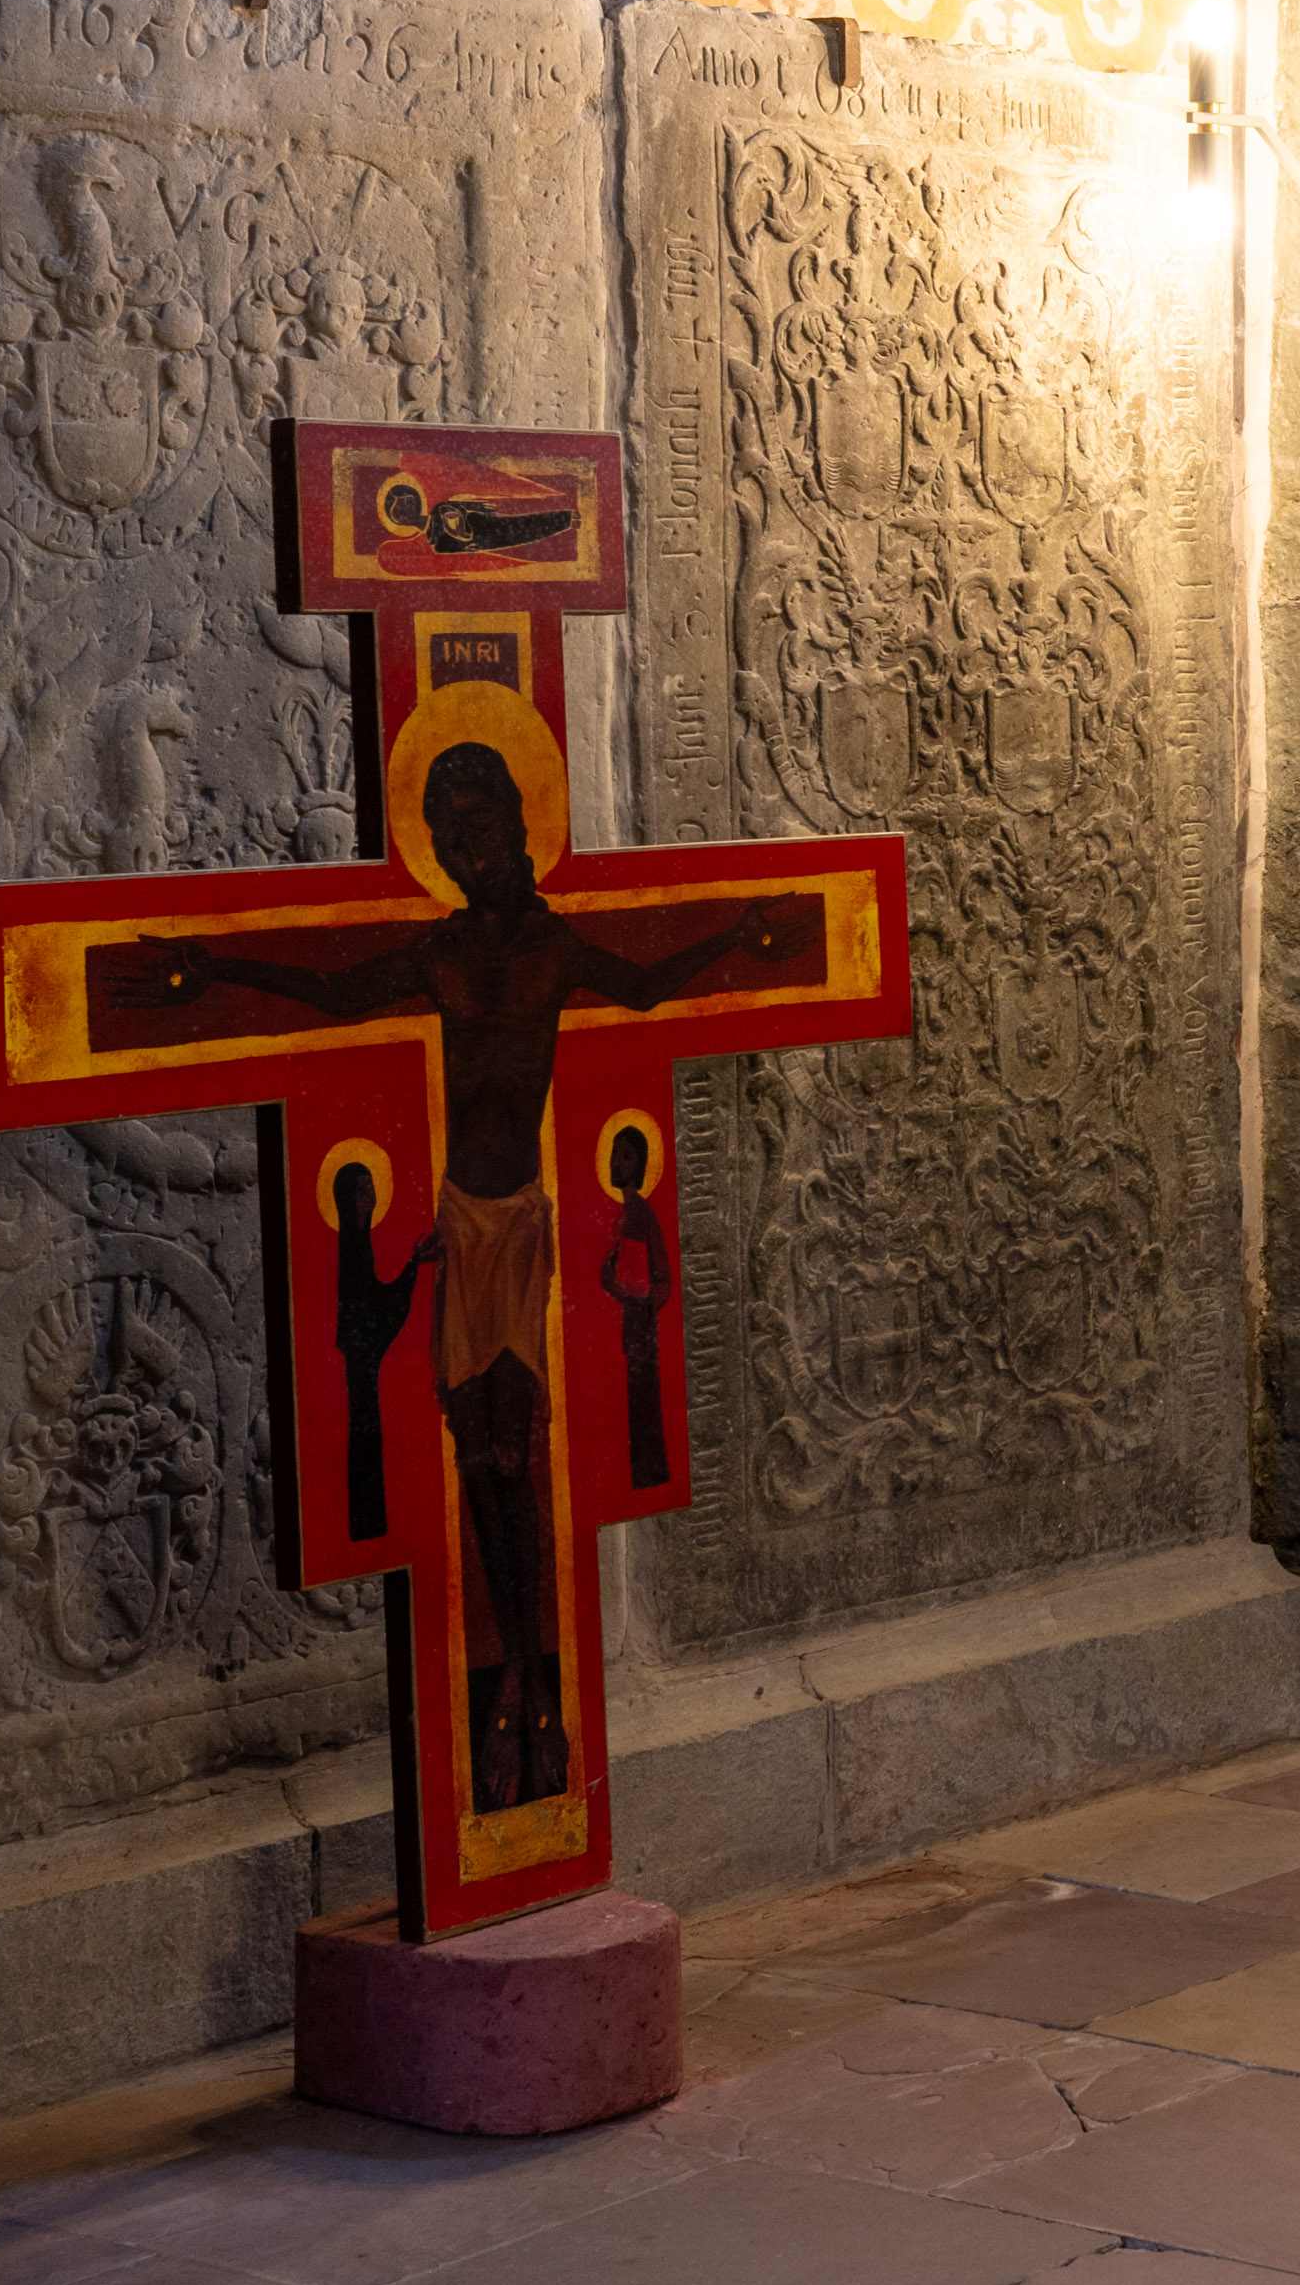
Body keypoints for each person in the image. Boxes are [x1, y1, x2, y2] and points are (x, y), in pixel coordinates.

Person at [109, 742, 810, 1811]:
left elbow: (644, 988)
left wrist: (737, 935)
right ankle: (517, 1675)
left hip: (519, 1223)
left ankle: (532, 1674)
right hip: (457, 1221)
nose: (471, 853)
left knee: (517, 1449)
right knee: (475, 1453)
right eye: (451, 838)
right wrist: (220, 967)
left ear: (519, 829)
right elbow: (337, 997)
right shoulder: (438, 952)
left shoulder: (553, 946)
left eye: (482, 830)